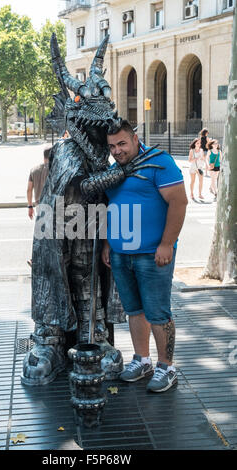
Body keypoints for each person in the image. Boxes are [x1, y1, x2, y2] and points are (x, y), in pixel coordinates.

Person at [100, 120, 188, 393]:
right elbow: (113, 207)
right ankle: (142, 360)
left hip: (153, 254)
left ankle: (167, 366)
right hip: (121, 253)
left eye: (122, 143)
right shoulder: (116, 170)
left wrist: (167, 244)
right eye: (112, 146)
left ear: (135, 139)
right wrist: (108, 244)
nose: (117, 150)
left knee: (158, 312)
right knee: (134, 310)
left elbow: (179, 202)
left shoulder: (159, 162)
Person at [26, 145, 51, 266]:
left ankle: (35, 259)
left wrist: (30, 206)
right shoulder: (54, 170)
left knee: (39, 235)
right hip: (52, 206)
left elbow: (29, 189)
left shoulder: (34, 169)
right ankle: (39, 260)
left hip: (39, 206)